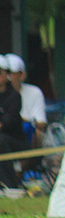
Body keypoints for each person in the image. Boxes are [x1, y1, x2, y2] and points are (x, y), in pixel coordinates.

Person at [0, 55, 29, 188]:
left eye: (0, 71)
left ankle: (10, 185)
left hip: (16, 142)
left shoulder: (14, 96)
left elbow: (5, 124)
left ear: (7, 74)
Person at [5, 53, 47, 139]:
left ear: (22, 75)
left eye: (10, 73)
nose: (6, 77)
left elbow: (41, 124)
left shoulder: (35, 92)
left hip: (25, 136)